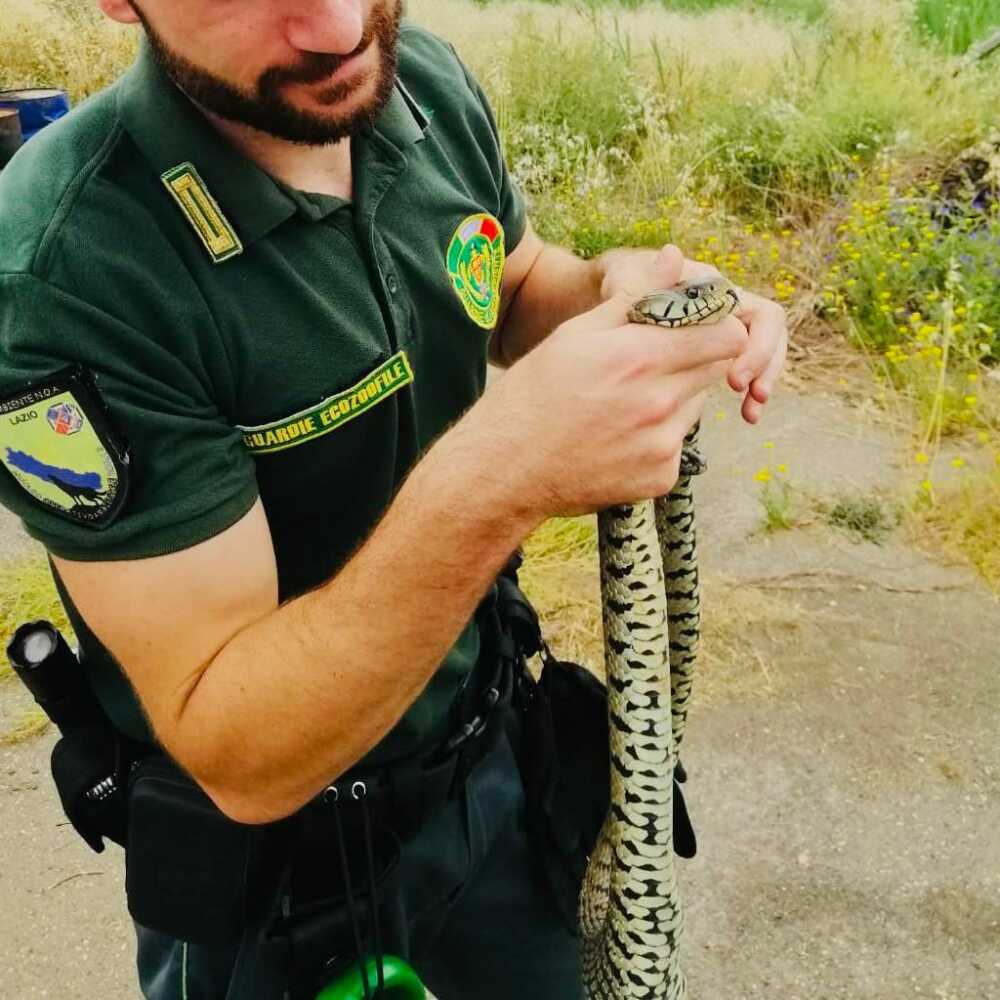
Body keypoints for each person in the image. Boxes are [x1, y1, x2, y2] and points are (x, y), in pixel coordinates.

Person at [0, 1, 788, 997]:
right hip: (288, 892)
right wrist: (506, 472)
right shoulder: (68, 271)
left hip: (494, 764)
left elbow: (508, 285)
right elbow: (238, 752)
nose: (336, 28)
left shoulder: (420, 81)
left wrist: (611, 300)